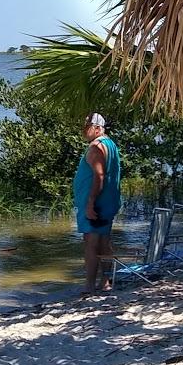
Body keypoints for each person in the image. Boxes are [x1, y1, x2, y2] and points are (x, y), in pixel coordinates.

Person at [73, 112, 122, 293]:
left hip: (97, 203)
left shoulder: (96, 147)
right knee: (103, 241)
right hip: (108, 201)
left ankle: (89, 285)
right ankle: (106, 281)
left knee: (91, 242)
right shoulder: (111, 145)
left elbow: (99, 176)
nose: (83, 131)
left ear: (97, 128)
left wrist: (90, 202)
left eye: (86, 127)